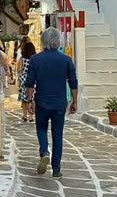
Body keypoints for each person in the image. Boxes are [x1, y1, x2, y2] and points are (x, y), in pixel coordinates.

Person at [24, 27, 78, 178]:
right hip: (59, 103)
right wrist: (74, 101)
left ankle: (44, 151)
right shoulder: (66, 60)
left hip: (42, 101)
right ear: (57, 41)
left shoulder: (35, 59)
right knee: (57, 134)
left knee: (41, 128)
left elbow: (30, 83)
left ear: (43, 41)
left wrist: (29, 100)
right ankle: (56, 169)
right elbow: (73, 82)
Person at [17, 41, 36, 121]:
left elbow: (19, 69)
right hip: (34, 79)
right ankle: (31, 115)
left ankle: (25, 115)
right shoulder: (35, 58)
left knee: (24, 98)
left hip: (24, 79)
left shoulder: (22, 59)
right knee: (32, 97)